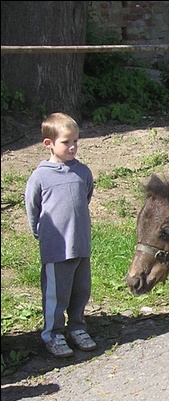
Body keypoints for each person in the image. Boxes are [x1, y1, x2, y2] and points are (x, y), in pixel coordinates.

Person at [25, 112, 97, 358]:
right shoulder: (40, 176)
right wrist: (40, 234)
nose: (73, 146)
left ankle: (77, 327)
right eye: (66, 142)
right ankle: (53, 334)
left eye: (76, 140)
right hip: (56, 248)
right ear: (49, 144)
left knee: (80, 290)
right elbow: (32, 208)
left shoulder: (83, 172)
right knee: (57, 295)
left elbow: (85, 198)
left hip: (80, 245)